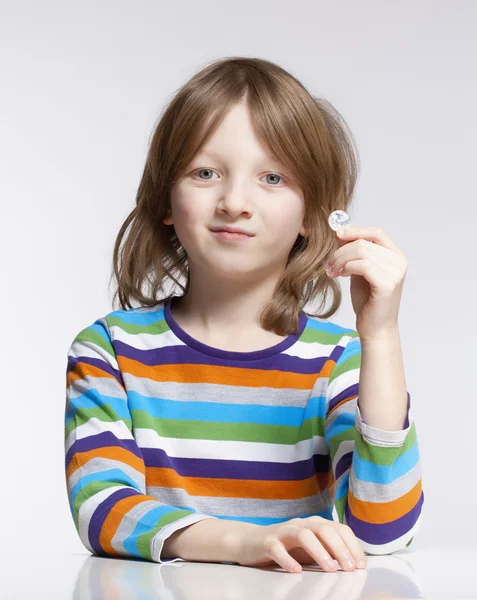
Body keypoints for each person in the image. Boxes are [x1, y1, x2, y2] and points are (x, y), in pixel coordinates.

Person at [64, 56, 424, 574]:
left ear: (311, 213)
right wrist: (249, 543)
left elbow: (385, 532)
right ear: (166, 197)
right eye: (205, 172)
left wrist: (382, 337)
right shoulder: (110, 351)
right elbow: (103, 511)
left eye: (273, 177)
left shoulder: (338, 360)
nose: (235, 201)